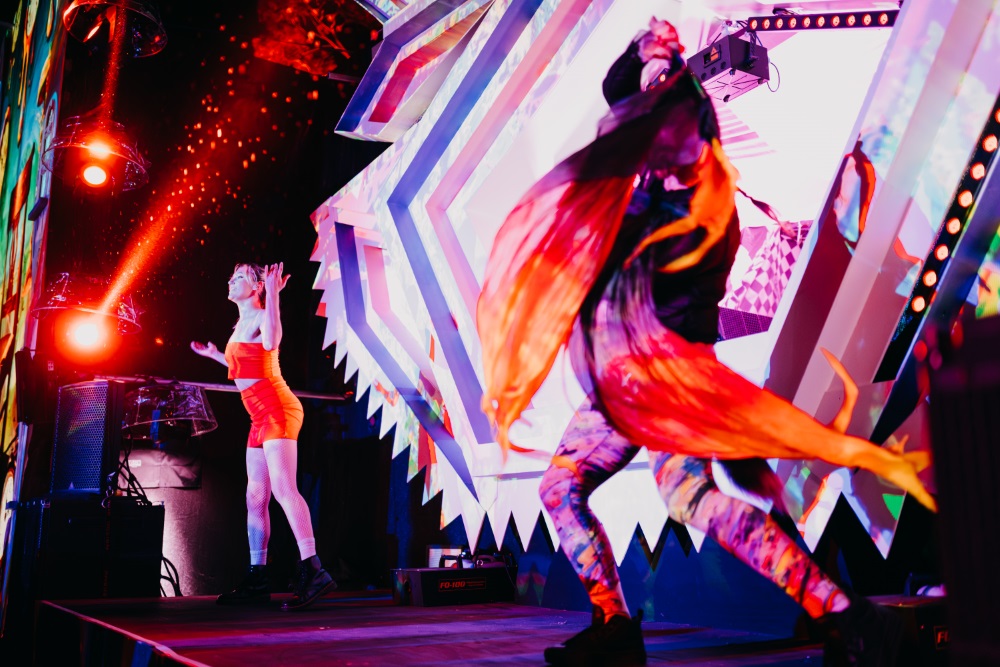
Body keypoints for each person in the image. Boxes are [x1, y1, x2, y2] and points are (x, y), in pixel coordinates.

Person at [477, 18, 935, 667]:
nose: (645, 107)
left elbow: (667, 285)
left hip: (665, 380)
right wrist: (642, 52)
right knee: (597, 490)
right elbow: (619, 96)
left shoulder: (699, 199)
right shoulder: (657, 183)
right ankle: (628, 626)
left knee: (667, 495)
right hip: (636, 380)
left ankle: (844, 616)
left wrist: (663, 65)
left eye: (662, 93)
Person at [191, 261, 336, 611]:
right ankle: (258, 577)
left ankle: (315, 569)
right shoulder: (240, 324)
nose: (231, 280)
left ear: (256, 286)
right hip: (258, 417)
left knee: (284, 489)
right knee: (255, 497)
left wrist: (273, 295)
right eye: (231, 275)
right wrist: (214, 354)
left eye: (239, 276)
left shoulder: (260, 316)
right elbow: (245, 365)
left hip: (278, 409)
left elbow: (271, 342)